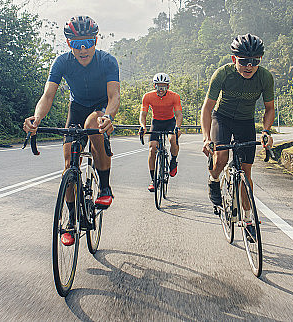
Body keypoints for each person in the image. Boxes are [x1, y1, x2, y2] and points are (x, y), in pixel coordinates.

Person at [23, 16, 119, 246]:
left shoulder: (107, 61)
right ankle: (71, 220)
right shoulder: (62, 62)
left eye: (87, 42)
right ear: (69, 44)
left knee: (92, 125)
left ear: (95, 40)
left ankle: (104, 186)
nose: (83, 48)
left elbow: (114, 95)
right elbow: (47, 96)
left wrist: (109, 116)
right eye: (77, 43)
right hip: (76, 108)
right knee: (68, 165)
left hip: (100, 107)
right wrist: (37, 118)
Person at [201, 33, 275, 239]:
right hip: (222, 118)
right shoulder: (222, 74)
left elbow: (269, 109)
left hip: (245, 122)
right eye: (244, 61)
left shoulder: (265, 77)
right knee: (222, 157)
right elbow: (207, 108)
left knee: (246, 174)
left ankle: (248, 219)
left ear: (260, 60)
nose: (249, 66)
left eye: (255, 61)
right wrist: (207, 138)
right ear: (234, 59)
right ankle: (214, 179)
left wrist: (266, 131)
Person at [139, 73, 183, 192]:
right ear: (154, 86)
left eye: (163, 87)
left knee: (173, 139)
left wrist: (177, 127)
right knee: (152, 148)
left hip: (170, 122)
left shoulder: (174, 96)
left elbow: (178, 114)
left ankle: (173, 161)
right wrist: (143, 126)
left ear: (168, 87)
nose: (161, 90)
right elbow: (143, 114)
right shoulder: (147, 96)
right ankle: (153, 180)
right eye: (159, 87)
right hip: (156, 123)